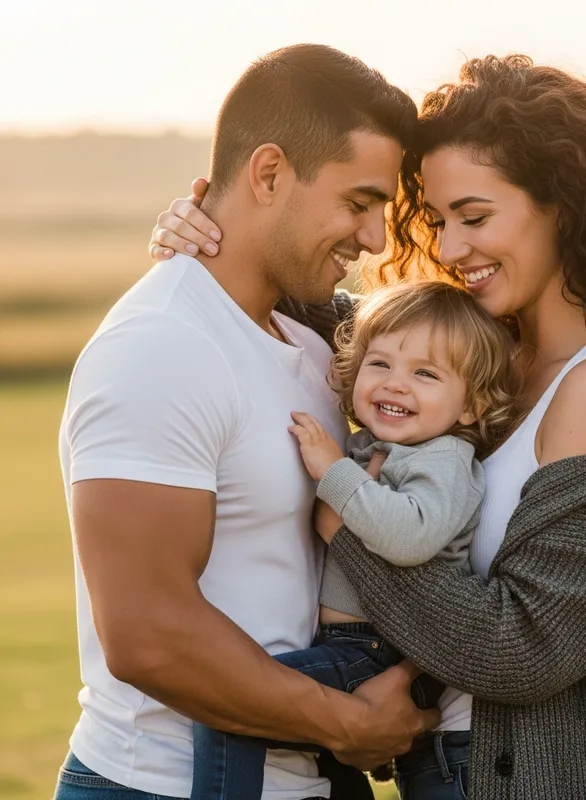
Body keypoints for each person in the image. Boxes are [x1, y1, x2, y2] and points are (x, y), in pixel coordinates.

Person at [152, 55, 586, 800]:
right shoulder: (474, 362)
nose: (448, 251)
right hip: (438, 774)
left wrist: (345, 520)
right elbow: (316, 302)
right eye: (439, 222)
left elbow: (518, 651)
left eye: (475, 218)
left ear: (565, 205)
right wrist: (203, 231)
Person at [55, 44, 442, 800]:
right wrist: (344, 723)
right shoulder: (159, 347)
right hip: (160, 787)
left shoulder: (308, 348)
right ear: (268, 174)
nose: (375, 240)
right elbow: (147, 635)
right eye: (358, 202)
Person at [192, 280, 520, 799]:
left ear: (471, 407)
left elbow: (410, 535)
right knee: (326, 752)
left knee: (232, 708)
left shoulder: (445, 459)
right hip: (353, 643)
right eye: (380, 364)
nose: (396, 384)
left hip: (379, 648)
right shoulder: (375, 443)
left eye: (426, 374)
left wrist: (334, 473)